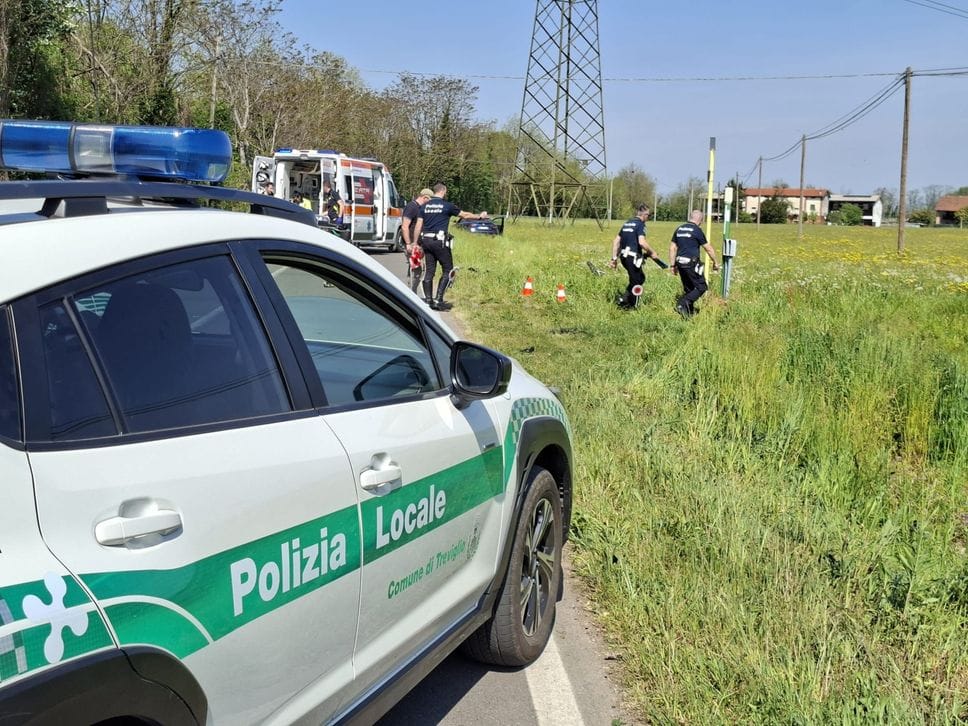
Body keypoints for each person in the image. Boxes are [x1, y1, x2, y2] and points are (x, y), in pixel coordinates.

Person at [412, 183, 488, 311]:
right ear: (444, 191)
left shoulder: (424, 206)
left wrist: (415, 243)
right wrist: (479, 216)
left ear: (434, 191)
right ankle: (438, 299)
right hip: (440, 241)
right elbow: (465, 215)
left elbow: (418, 225)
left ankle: (428, 301)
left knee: (430, 271)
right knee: (448, 269)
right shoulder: (447, 206)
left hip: (426, 241)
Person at [608, 204, 662, 309]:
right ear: (644, 215)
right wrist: (652, 252)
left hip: (624, 257)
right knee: (637, 281)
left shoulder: (627, 224)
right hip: (632, 258)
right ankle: (633, 305)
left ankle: (625, 300)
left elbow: (616, 241)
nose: (648, 218)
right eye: (649, 215)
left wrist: (614, 259)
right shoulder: (640, 225)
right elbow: (642, 242)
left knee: (638, 278)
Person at [669, 210, 720, 318]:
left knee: (689, 289)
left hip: (679, 262)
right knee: (701, 287)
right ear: (700, 220)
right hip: (691, 263)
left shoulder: (679, 229)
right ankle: (682, 303)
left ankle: (688, 314)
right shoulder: (697, 230)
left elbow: (672, 248)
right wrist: (715, 262)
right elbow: (708, 249)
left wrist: (673, 265)